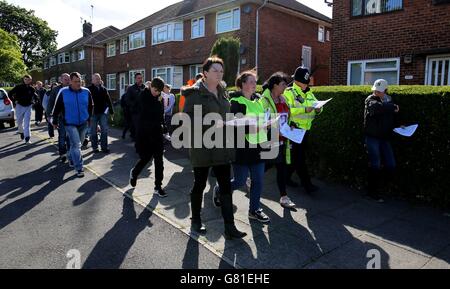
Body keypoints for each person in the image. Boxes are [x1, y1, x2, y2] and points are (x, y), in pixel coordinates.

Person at [183, 56, 246, 239]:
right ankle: (196, 220)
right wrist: (211, 124)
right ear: (205, 74)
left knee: (226, 187)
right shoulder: (194, 94)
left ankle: (230, 227)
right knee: (200, 184)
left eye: (221, 70)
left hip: (222, 147)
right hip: (202, 147)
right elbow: (186, 121)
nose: (219, 73)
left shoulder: (223, 91)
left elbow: (225, 115)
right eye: (215, 70)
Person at [217, 70, 271, 223]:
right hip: (242, 148)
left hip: (258, 147)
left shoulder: (258, 101)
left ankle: (254, 210)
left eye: (255, 81)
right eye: (251, 81)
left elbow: (260, 122)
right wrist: (251, 129)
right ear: (242, 84)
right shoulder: (236, 102)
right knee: (240, 181)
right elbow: (232, 125)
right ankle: (220, 190)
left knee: (258, 181)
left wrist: (266, 126)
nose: (255, 84)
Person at [259, 72, 296, 209]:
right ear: (274, 86)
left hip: (283, 139)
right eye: (283, 84)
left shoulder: (284, 99)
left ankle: (284, 197)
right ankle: (253, 178)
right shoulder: (264, 101)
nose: (285, 86)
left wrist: (291, 124)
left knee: (280, 167)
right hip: (270, 139)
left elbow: (287, 116)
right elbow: (260, 121)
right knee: (270, 164)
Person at [283, 67, 322, 194]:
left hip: (305, 131)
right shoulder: (288, 92)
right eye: (306, 80)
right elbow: (287, 111)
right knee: (299, 159)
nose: (307, 83)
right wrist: (305, 109)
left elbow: (318, 106)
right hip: (294, 130)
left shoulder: (310, 93)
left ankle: (285, 179)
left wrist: (318, 109)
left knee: (295, 158)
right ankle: (307, 185)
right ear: (299, 81)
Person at [129, 77, 167, 198]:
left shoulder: (159, 97)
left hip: (156, 133)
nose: (157, 93)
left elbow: (161, 113)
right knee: (146, 158)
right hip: (145, 133)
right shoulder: (142, 97)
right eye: (156, 90)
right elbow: (143, 114)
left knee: (159, 160)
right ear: (151, 87)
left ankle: (158, 186)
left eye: (159, 91)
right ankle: (134, 173)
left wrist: (164, 126)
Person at [364, 79, 399, 203]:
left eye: (379, 91)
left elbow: (391, 118)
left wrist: (400, 125)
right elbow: (375, 108)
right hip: (372, 137)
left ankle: (383, 188)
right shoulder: (370, 100)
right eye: (375, 90)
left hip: (384, 138)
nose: (376, 93)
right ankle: (371, 191)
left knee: (391, 164)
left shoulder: (389, 100)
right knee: (375, 164)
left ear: (385, 91)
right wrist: (392, 107)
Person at [52, 72, 93, 178]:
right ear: (70, 82)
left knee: (76, 145)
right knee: (76, 145)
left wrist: (90, 119)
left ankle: (70, 157)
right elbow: (57, 107)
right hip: (69, 123)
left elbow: (90, 106)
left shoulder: (86, 91)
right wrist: (55, 121)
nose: (78, 83)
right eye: (75, 81)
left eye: (79, 81)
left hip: (83, 123)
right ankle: (79, 168)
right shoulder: (63, 92)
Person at [88, 73, 114, 154]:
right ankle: (95, 147)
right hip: (93, 113)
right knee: (93, 131)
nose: (98, 80)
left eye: (99, 78)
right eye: (96, 79)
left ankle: (104, 147)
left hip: (103, 113)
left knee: (104, 131)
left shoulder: (103, 89)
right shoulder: (88, 89)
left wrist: (111, 111)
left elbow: (108, 100)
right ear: (92, 80)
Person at [48, 73, 71, 162]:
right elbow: (51, 103)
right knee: (62, 136)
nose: (68, 81)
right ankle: (62, 153)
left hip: (71, 117)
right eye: (65, 79)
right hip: (60, 116)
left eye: (69, 79)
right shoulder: (56, 90)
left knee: (70, 136)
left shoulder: (72, 89)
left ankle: (69, 153)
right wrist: (50, 116)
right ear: (61, 80)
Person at [9, 75, 37, 144]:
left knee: (27, 123)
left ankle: (27, 138)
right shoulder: (18, 87)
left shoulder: (32, 88)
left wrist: (34, 101)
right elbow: (10, 93)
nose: (27, 80)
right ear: (23, 80)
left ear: (31, 80)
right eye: (25, 79)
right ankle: (21, 131)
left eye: (28, 79)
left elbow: (35, 96)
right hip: (19, 106)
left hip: (28, 106)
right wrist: (14, 100)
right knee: (19, 122)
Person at [125, 73, 145, 141]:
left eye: (141, 78)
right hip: (135, 112)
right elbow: (127, 100)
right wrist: (134, 104)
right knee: (137, 127)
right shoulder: (131, 88)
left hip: (143, 112)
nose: (140, 79)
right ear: (135, 79)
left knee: (143, 128)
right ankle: (137, 142)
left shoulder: (145, 87)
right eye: (138, 78)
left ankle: (140, 141)